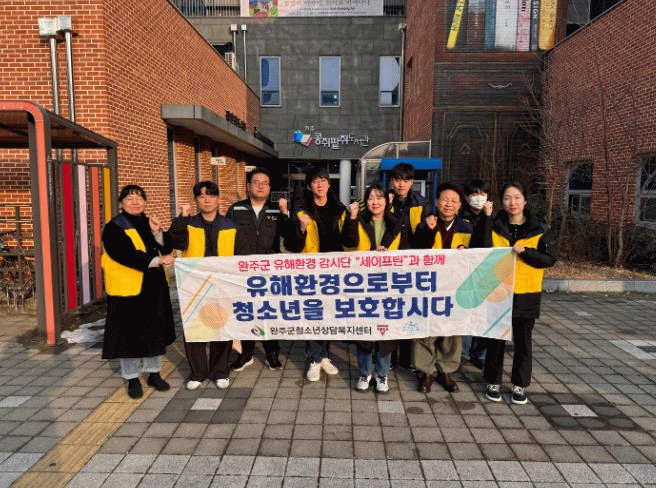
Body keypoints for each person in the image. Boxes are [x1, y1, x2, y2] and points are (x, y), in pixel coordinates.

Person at [479, 182, 556, 404]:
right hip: (498, 291)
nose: (512, 202)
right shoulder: (494, 224)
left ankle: (520, 384)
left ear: (525, 200)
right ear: (501, 202)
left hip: (527, 293)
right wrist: (487, 218)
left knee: (523, 342)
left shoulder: (539, 229)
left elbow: (549, 259)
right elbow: (483, 248)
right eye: (507, 198)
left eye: (516, 197)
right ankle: (493, 381)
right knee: (495, 339)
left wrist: (527, 253)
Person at [101, 185, 175, 399]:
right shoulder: (115, 226)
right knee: (129, 336)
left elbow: (166, 248)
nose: (135, 202)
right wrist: (156, 260)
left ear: (145, 202)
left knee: (153, 333)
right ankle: (132, 378)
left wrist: (158, 232)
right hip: (128, 290)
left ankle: (154, 373)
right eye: (129, 198)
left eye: (139, 198)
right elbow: (123, 253)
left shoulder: (148, 222)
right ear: (121, 203)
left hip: (153, 288)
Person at [168, 181, 237, 390]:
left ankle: (219, 372)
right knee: (194, 329)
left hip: (221, 286)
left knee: (222, 329)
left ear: (218, 198)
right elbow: (175, 242)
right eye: (201, 196)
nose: (206, 200)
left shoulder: (230, 225)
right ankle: (197, 373)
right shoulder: (188, 224)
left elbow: (239, 255)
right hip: (194, 286)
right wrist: (182, 218)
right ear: (196, 200)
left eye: (211, 195)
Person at [341, 184, 409, 393]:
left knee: (384, 334)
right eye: (371, 198)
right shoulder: (358, 219)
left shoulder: (397, 223)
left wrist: (389, 257)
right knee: (364, 332)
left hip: (388, 286)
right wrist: (352, 218)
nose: (375, 202)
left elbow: (407, 254)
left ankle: (382, 374)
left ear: (387, 200)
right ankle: (364, 372)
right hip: (362, 286)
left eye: (379, 197)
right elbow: (348, 242)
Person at [285, 166, 347, 381]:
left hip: (334, 271)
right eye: (315, 181)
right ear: (310, 186)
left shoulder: (340, 210)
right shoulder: (301, 212)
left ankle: (325, 356)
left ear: (329, 184)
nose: (319, 185)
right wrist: (301, 229)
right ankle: (313, 358)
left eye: (323, 180)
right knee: (312, 314)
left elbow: (348, 240)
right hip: (310, 272)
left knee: (328, 314)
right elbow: (292, 245)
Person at [226, 167, 288, 372]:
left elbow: (289, 240)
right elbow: (225, 239)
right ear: (248, 186)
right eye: (256, 182)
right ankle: (246, 354)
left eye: (265, 183)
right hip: (243, 273)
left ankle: (272, 353)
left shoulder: (277, 211)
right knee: (246, 313)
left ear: (270, 188)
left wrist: (286, 216)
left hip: (270, 274)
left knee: (269, 313)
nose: (260, 186)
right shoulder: (235, 210)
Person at [413, 182, 473, 393]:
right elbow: (416, 253)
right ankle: (426, 372)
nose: (449, 204)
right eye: (445, 199)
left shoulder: (467, 228)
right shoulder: (425, 224)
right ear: (437, 202)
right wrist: (429, 231)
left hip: (456, 288)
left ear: (460, 205)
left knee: (452, 332)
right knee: (426, 331)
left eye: (454, 201)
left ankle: (445, 370)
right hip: (429, 286)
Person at [387, 162, 432, 370]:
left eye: (405, 180)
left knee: (408, 312)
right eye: (397, 180)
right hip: (389, 265)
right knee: (390, 311)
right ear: (391, 181)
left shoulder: (422, 204)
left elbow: (424, 236)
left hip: (413, 266)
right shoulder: (385, 200)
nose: (401, 184)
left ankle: (406, 357)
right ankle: (389, 356)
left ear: (412, 182)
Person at [460, 179, 493, 369]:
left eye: (482, 194)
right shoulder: (461, 217)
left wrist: (487, 218)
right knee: (465, 313)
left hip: (486, 273)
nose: (478, 198)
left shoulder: (494, 218)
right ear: (466, 197)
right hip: (465, 273)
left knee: (483, 316)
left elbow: (488, 245)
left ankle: (479, 353)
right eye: (474, 194)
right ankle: (463, 353)